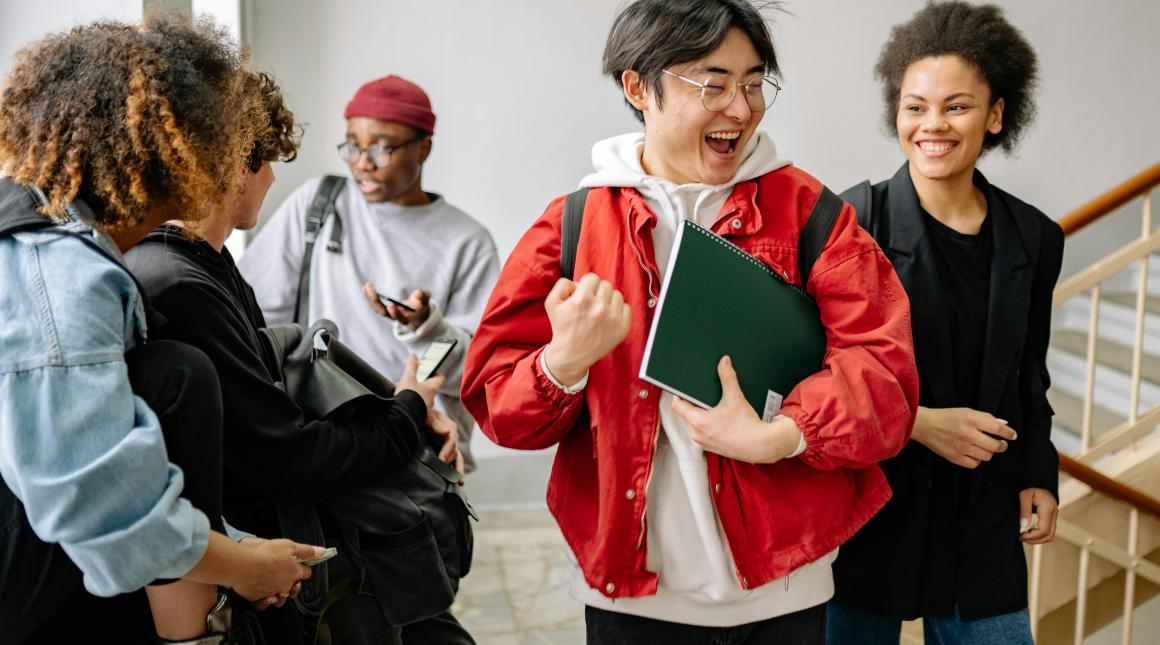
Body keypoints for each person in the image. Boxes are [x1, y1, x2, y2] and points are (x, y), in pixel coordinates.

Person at [461, 1, 919, 643]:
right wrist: (560, 365)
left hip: (783, 592)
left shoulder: (810, 214)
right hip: (630, 603)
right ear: (637, 87)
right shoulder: (573, 225)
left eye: (755, 83)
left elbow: (885, 376)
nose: (741, 107)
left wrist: (782, 433)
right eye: (714, 83)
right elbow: (495, 401)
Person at [0, 16, 320, 645]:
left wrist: (234, 546)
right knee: (178, 376)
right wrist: (246, 568)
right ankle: (195, 634)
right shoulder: (59, 278)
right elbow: (100, 515)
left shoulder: (57, 241)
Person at [125, 70, 473, 645]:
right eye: (268, 162)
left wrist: (404, 392)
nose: (364, 161)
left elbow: (268, 370)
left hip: (320, 500)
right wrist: (406, 410)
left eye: (382, 147)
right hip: (269, 563)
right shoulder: (184, 281)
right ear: (239, 162)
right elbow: (285, 451)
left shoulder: (202, 265)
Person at [826, 3, 1062, 644]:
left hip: (981, 515)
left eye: (957, 106)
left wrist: (1039, 471)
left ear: (995, 115)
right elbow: (817, 378)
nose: (933, 124)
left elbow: (1028, 373)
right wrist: (918, 424)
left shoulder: (1036, 237)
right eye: (914, 106)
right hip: (871, 509)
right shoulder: (855, 220)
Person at [238, 74, 499, 472]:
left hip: (420, 444)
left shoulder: (466, 241)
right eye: (353, 147)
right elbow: (257, 310)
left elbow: (478, 369)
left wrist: (426, 327)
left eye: (381, 147)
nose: (362, 162)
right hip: (323, 431)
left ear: (423, 148)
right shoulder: (319, 203)